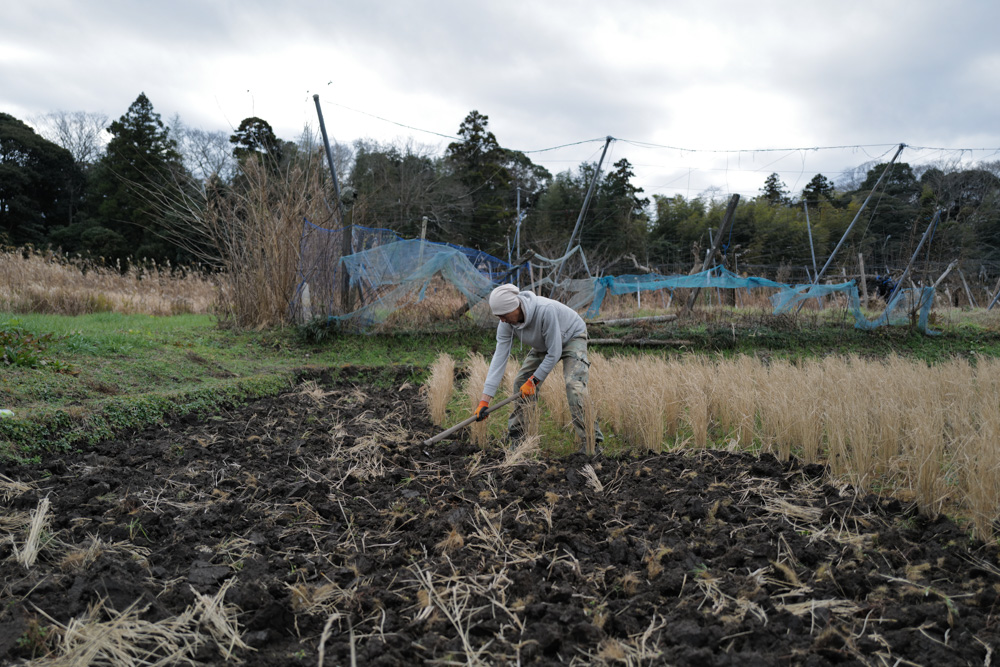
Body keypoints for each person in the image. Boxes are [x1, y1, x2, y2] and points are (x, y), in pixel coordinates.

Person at [474, 283, 603, 451]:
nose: (502, 320)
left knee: (575, 387)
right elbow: (499, 359)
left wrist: (534, 381)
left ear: (515, 307)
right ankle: (519, 439)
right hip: (545, 343)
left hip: (572, 336)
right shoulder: (506, 324)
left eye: (504, 315)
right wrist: (485, 400)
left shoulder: (544, 310)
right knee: (520, 382)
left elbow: (554, 352)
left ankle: (592, 443)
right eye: (499, 316)